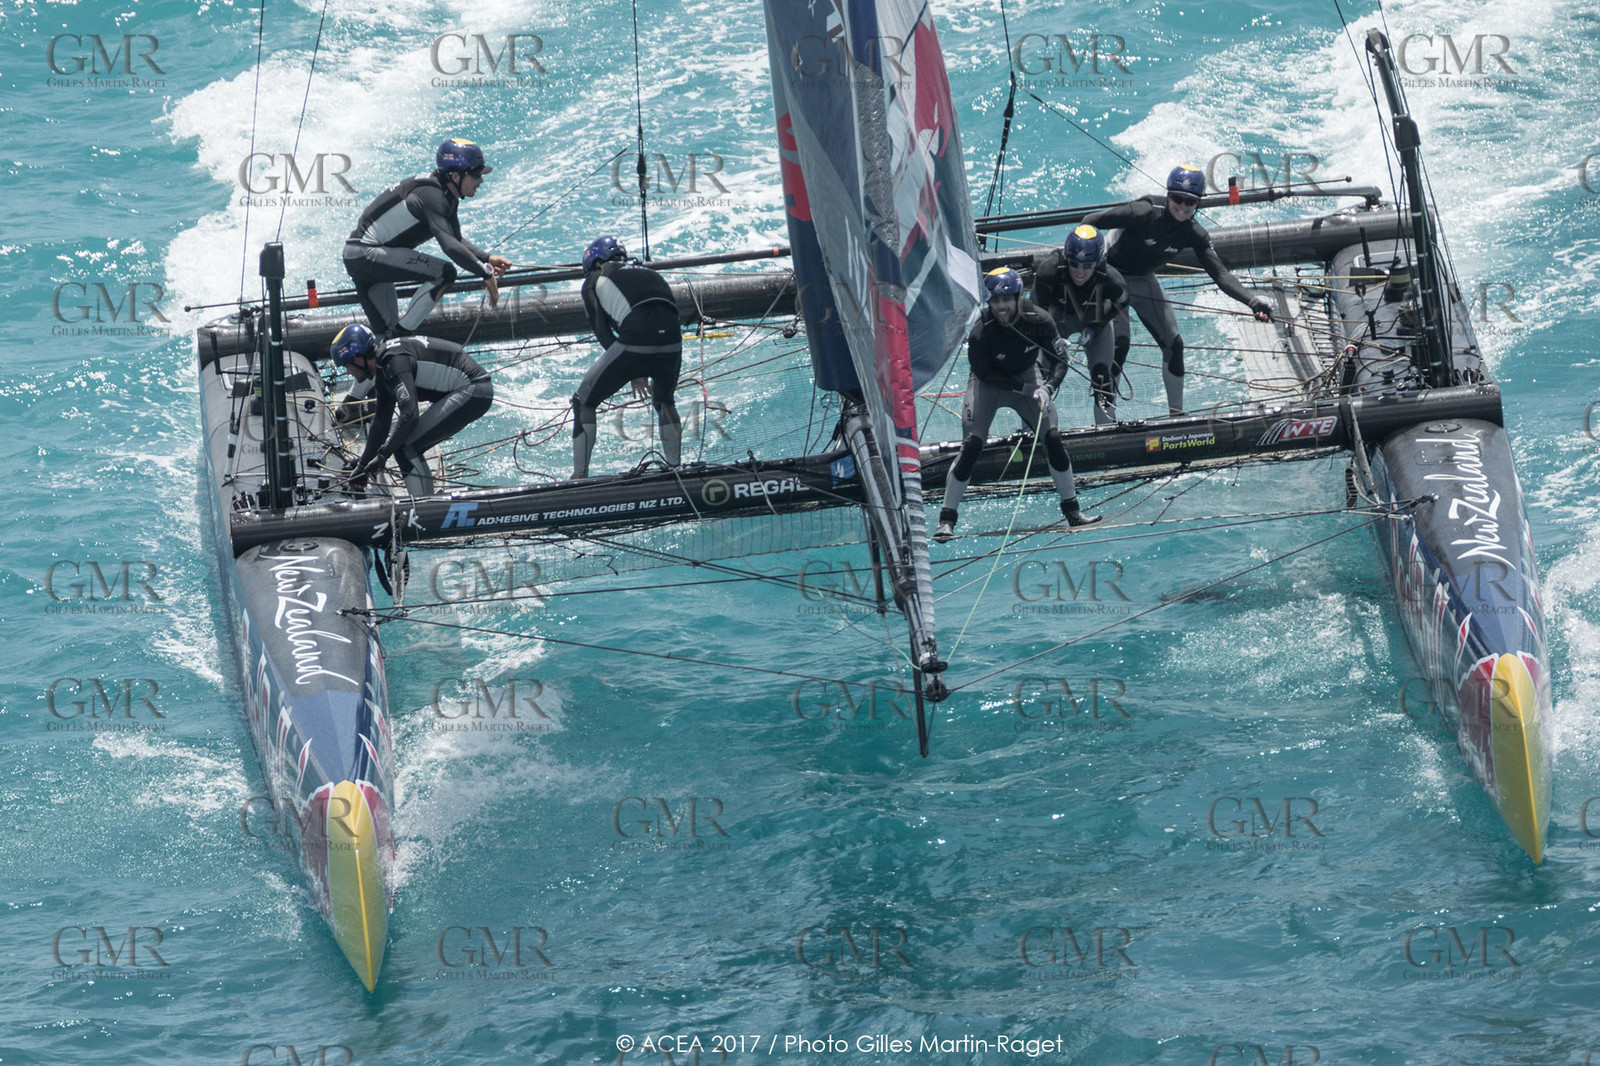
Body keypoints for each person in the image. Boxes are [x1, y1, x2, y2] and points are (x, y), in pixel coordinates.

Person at [1085, 165, 1273, 416]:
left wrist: (1252, 302)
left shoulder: (1193, 233)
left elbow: (1221, 274)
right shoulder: (1145, 211)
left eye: (1191, 202)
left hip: (1142, 279)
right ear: (1168, 195)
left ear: (1198, 204)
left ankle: (1177, 419)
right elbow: (1090, 222)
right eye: (1177, 199)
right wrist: (1086, 262)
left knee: (1174, 344)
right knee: (1119, 344)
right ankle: (1105, 422)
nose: (1183, 206)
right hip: (1109, 278)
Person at [934, 268, 1101, 542]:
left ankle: (1073, 512)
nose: (1000, 307)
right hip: (988, 384)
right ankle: (946, 520)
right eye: (995, 301)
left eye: (1006, 300)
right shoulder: (979, 332)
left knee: (1053, 438)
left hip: (1027, 376)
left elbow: (1060, 361)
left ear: (1017, 297)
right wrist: (1025, 389)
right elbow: (985, 373)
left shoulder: (1040, 319)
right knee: (973, 444)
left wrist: (1047, 388)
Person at [342, 137, 511, 338]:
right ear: (456, 176)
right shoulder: (432, 196)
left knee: (387, 338)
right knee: (445, 273)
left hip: (366, 258)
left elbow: (456, 239)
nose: (480, 181)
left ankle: (396, 341)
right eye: (475, 175)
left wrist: (487, 259)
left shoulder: (445, 195)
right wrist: (485, 274)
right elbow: (449, 247)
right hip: (366, 254)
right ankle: (403, 336)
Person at [330, 323, 493, 497]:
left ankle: (423, 509)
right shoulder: (383, 368)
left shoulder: (393, 362)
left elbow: (410, 415)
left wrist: (383, 456)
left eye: (346, 366)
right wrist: (363, 464)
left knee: (405, 446)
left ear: (358, 360)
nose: (348, 373)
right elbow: (381, 422)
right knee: (405, 444)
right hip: (469, 389)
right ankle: (426, 501)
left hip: (473, 388)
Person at [572, 235, 683, 478]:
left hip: (636, 341)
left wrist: (635, 370)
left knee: (584, 402)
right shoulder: (648, 272)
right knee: (664, 400)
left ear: (596, 263)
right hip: (673, 341)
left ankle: (579, 477)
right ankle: (675, 467)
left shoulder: (594, 279)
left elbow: (601, 329)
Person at [1031, 223, 1131, 425]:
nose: (1079, 271)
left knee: (1102, 378)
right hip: (1055, 323)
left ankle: (1107, 432)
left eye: (1087, 266)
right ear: (1066, 258)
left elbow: (1123, 300)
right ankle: (1036, 431)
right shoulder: (1049, 271)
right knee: (1038, 376)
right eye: (1074, 264)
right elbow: (1035, 311)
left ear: (1098, 262)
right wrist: (1051, 337)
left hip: (1093, 320)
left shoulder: (1110, 277)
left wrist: (1097, 326)